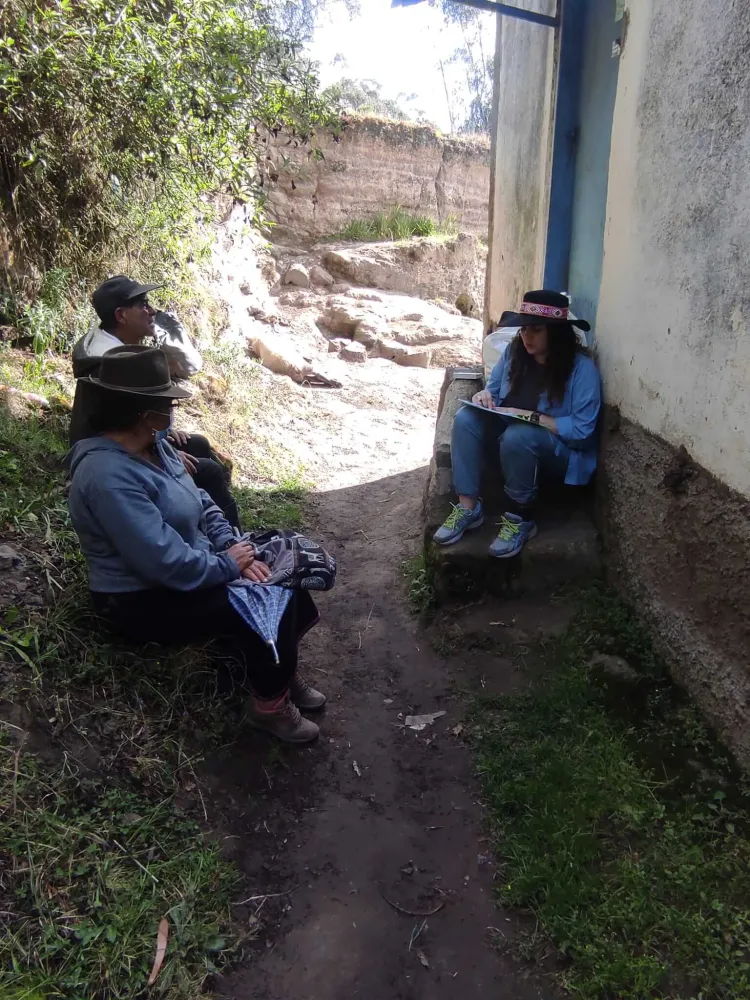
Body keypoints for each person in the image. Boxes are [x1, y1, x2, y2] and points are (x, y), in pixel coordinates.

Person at [66, 345, 324, 744]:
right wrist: (228, 566)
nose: (173, 407)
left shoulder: (156, 446)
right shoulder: (107, 476)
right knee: (266, 597)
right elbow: (162, 562)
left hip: (195, 565)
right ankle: (269, 707)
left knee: (287, 570)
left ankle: (280, 673)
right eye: (166, 401)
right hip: (143, 598)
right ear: (141, 411)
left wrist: (234, 545)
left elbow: (203, 503)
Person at [433, 289, 601, 559]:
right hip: (510, 440)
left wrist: (533, 418)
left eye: (535, 330)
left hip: (558, 453)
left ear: (555, 333)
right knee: (467, 418)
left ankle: (520, 516)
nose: (526, 336)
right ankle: (468, 507)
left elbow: (582, 432)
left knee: (519, 435)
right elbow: (495, 391)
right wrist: (484, 396)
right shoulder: (515, 354)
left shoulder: (582, 370)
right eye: (523, 330)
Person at [70, 275, 241, 530]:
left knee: (199, 445)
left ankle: (206, 526)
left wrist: (165, 434)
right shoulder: (109, 362)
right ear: (121, 316)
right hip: (114, 449)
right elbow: (113, 425)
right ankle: (234, 541)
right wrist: (164, 455)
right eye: (143, 305)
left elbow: (130, 412)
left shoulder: (111, 344)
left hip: (132, 436)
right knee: (209, 472)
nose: (152, 311)